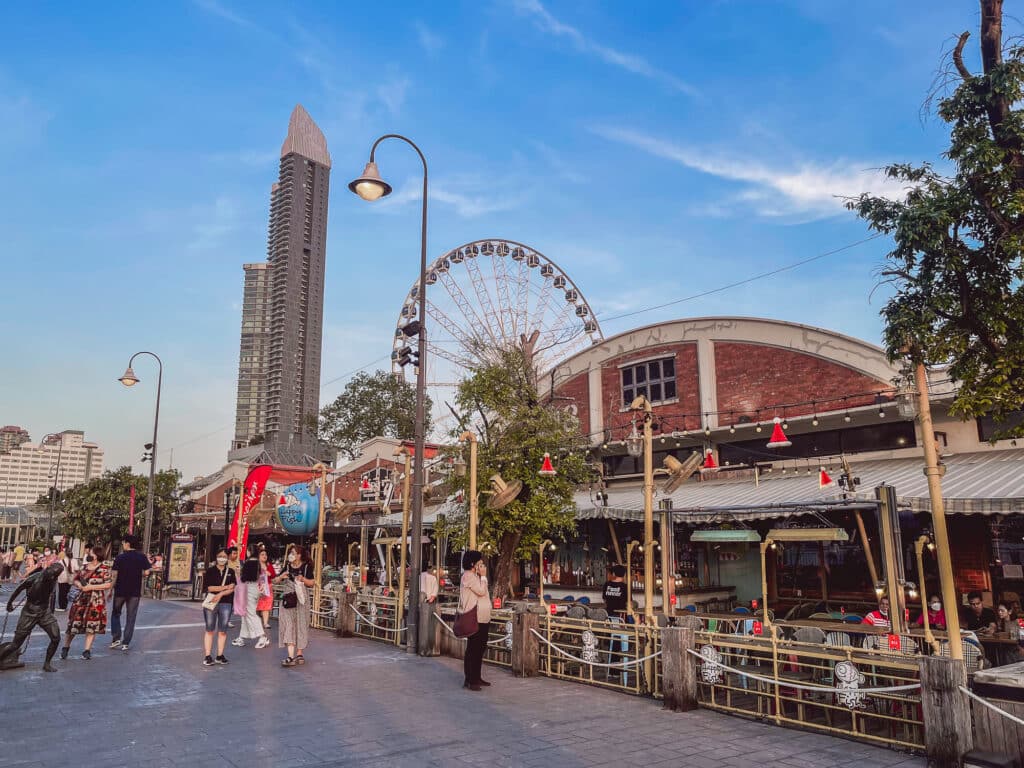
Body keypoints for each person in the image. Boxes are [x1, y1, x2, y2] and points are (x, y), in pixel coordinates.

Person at [1, 563, 64, 671]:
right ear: (48, 570)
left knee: (56, 637)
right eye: (52, 575)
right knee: (15, 644)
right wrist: (9, 603)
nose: (53, 577)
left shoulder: (53, 578)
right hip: (29, 612)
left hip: (44, 612)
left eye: (55, 576)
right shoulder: (33, 578)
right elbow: (18, 589)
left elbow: (50, 596)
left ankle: (47, 664)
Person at [60, 547, 112, 661]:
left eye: (91, 553)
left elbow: (108, 584)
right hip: (81, 600)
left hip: (95, 601)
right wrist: (79, 585)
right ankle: (65, 647)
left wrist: (91, 587)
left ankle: (87, 650)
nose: (89, 554)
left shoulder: (104, 569)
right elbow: (75, 579)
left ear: (96, 555)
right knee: (73, 624)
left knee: (91, 626)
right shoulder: (84, 567)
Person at [108, 534, 151, 652]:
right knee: (131, 617)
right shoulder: (141, 557)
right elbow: (147, 572)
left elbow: (114, 575)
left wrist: (110, 589)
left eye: (123, 543)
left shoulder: (120, 557)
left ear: (127, 543)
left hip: (120, 590)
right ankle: (126, 642)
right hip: (135, 591)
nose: (122, 544)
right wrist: (138, 574)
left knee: (116, 613)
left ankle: (116, 637)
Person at [274, 544, 313, 667]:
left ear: (299, 555)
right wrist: (281, 577)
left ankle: (299, 653)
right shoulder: (286, 566)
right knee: (289, 624)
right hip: (288, 598)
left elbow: (312, 583)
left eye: (293, 553)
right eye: (290, 552)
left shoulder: (307, 566)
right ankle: (290, 656)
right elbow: (275, 580)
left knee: (301, 625)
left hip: (301, 599)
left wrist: (303, 579)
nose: (291, 555)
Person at [459, 550, 492, 692]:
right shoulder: (468, 576)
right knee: (474, 648)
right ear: (473, 563)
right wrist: (484, 577)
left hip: (483, 616)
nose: (482, 564)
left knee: (480, 648)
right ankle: (470, 679)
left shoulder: (475, 576)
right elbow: (481, 591)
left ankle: (476, 676)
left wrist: (482, 577)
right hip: (475, 617)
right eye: (479, 562)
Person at [202, 548, 236, 666]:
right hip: (211, 602)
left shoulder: (231, 571)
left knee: (223, 630)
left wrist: (221, 593)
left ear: (227, 558)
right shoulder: (210, 571)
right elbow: (209, 588)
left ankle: (219, 655)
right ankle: (207, 655)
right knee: (210, 629)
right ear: (216, 557)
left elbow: (232, 588)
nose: (222, 558)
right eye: (220, 556)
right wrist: (225, 587)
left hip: (226, 602)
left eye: (224, 556)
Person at [232, 553, 269, 649]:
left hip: (250, 589)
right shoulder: (258, 566)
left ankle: (262, 636)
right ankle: (242, 637)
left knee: (250, 613)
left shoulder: (250, 562)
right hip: (253, 588)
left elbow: (243, 578)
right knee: (246, 614)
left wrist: (239, 572)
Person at [256, 548, 275, 631]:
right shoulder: (255, 565)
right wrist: (262, 572)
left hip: (268, 587)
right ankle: (255, 622)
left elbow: (274, 575)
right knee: (256, 604)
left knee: (267, 605)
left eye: (265, 555)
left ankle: (265, 623)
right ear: (258, 556)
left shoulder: (268, 565)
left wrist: (269, 573)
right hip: (258, 586)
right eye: (262, 555)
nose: (264, 556)